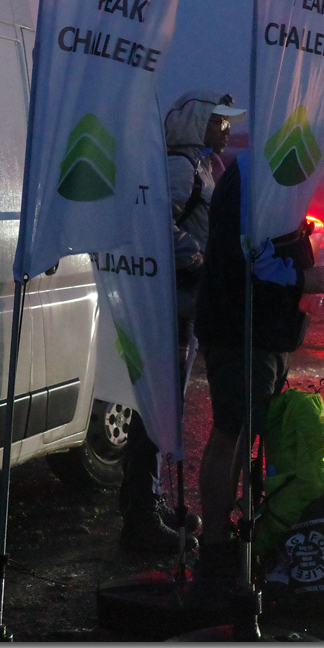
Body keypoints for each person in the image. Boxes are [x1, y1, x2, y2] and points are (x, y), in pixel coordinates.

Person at [190, 150, 324, 599]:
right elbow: (244, 253)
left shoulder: (270, 171)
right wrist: (300, 278)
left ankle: (228, 541)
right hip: (243, 331)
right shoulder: (257, 174)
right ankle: (214, 548)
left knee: (242, 430)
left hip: (260, 331)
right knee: (231, 431)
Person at [117, 90, 246, 554]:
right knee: (157, 408)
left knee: (163, 407)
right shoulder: (181, 165)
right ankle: (141, 515)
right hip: (171, 303)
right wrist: (200, 260)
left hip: (184, 304)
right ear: (196, 123)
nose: (227, 128)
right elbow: (153, 225)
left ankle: (146, 502)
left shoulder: (205, 164)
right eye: (218, 120)